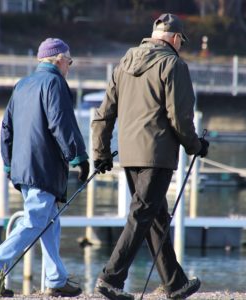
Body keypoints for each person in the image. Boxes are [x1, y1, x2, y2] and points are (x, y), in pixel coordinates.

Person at [92, 13, 209, 300]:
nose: (181, 46)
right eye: (181, 41)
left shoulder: (124, 62)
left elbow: (104, 114)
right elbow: (180, 117)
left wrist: (101, 152)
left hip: (130, 154)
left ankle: (175, 282)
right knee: (142, 214)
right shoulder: (173, 65)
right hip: (157, 154)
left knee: (155, 217)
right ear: (175, 38)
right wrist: (196, 146)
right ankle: (111, 278)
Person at [0, 38, 89, 298]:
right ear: (59, 59)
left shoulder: (23, 84)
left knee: (50, 222)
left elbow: (7, 128)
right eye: (69, 61)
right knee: (35, 220)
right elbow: (61, 123)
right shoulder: (55, 83)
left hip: (23, 166)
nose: (69, 66)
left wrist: (8, 163)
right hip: (43, 166)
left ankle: (55, 280)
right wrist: (78, 157)